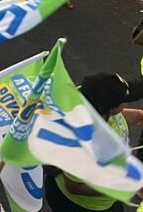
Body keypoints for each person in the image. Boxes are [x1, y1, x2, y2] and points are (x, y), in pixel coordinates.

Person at [46, 73, 143, 212]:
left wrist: (138, 116)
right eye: (124, 100)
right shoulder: (86, 142)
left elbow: (118, 116)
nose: (127, 102)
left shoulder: (88, 97)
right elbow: (74, 187)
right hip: (82, 206)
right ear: (110, 109)